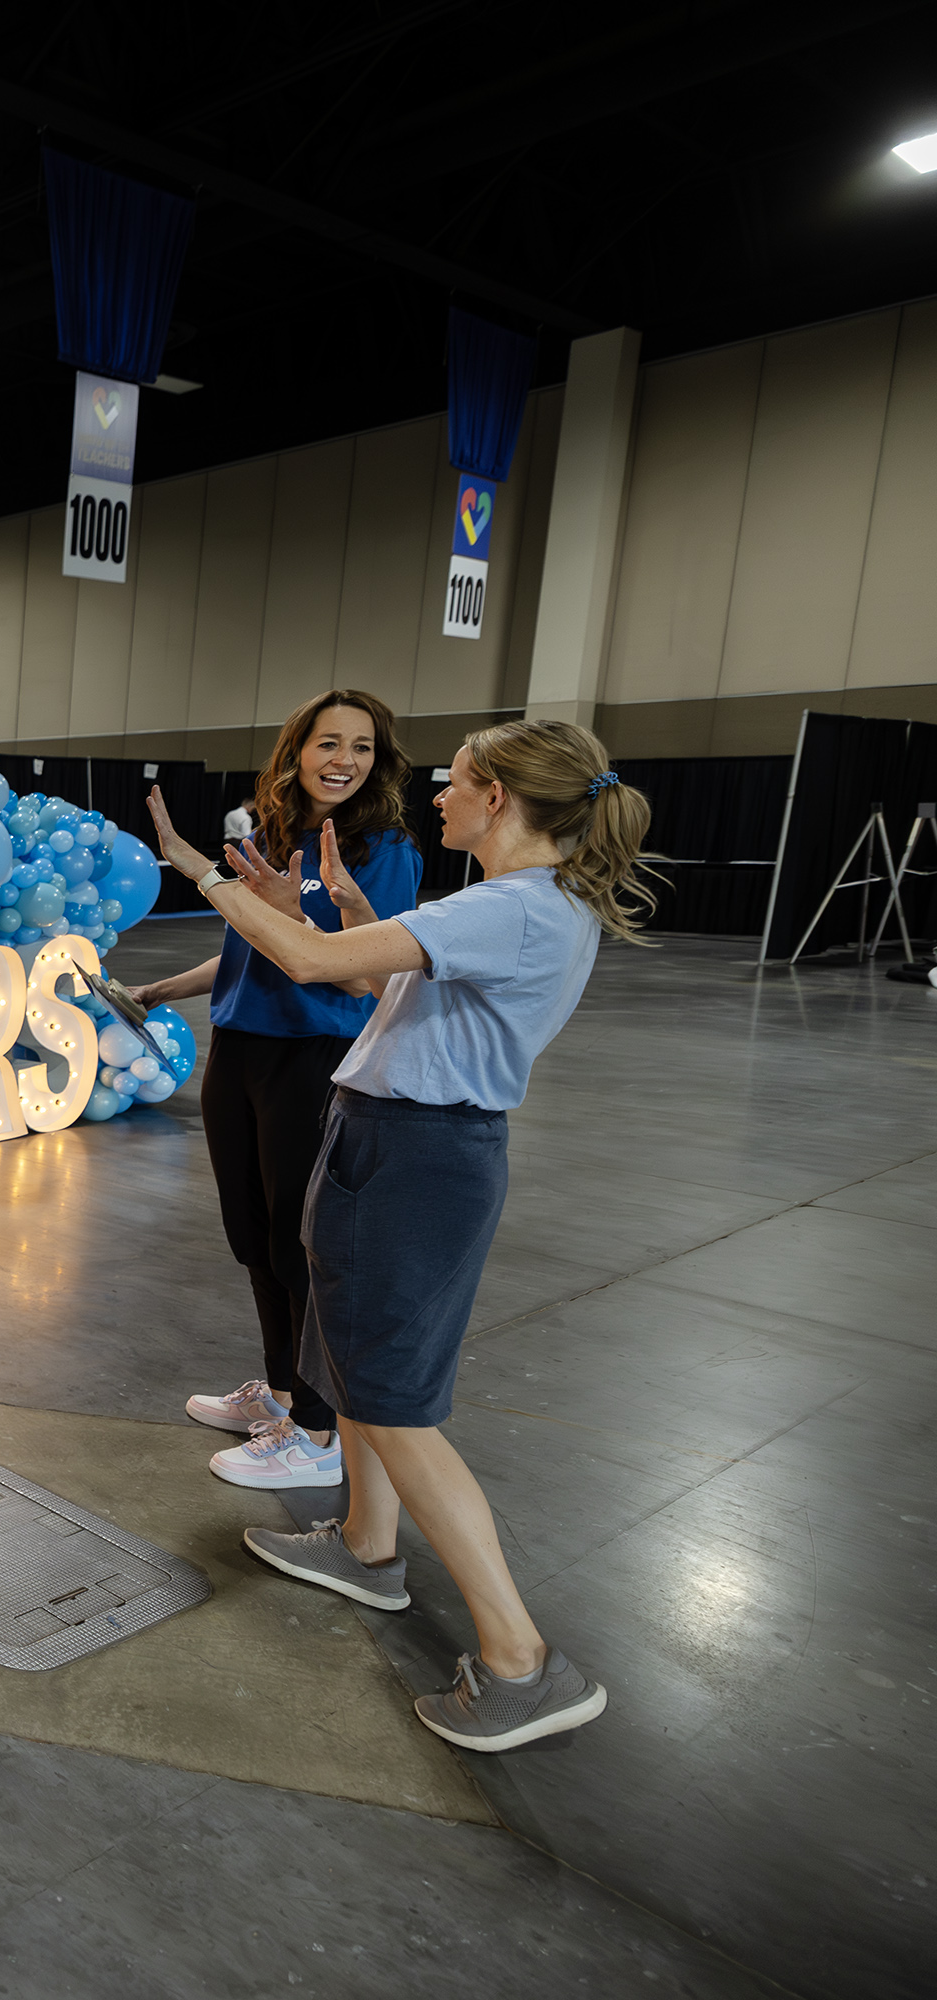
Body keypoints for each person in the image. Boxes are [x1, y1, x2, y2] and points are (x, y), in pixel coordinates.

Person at [146, 719, 654, 1751]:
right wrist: (340, 915)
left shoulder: (512, 906)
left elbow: (302, 957)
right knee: (355, 1367)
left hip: (415, 1160)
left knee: (400, 1406)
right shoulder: (516, 906)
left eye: (455, 782)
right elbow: (381, 983)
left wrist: (206, 873)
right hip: (395, 1143)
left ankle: (520, 1660)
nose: (437, 796)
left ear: (500, 797)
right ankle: (367, 1546)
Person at [130, 691, 421, 1493]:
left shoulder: (384, 849)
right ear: (298, 752)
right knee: (252, 1237)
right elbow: (244, 954)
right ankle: (284, 1395)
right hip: (240, 1051)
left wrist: (304, 918)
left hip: (315, 1054)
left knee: (300, 1245)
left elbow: (378, 976)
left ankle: (319, 1429)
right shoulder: (269, 836)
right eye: (329, 742)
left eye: (361, 747)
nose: (344, 760)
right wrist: (159, 990)